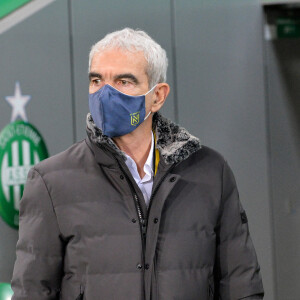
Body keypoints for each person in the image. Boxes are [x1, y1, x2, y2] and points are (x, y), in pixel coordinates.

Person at [11, 28, 264, 300]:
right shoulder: (51, 181)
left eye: (123, 81)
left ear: (157, 96)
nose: (105, 93)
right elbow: (32, 291)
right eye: (97, 80)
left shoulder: (211, 172)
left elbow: (241, 284)